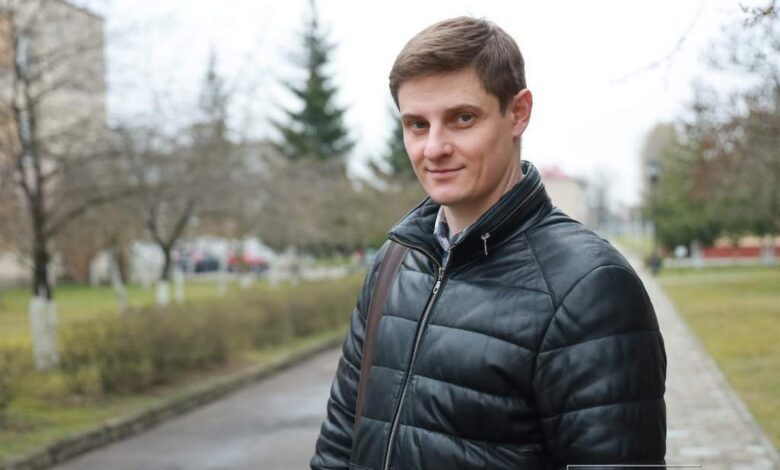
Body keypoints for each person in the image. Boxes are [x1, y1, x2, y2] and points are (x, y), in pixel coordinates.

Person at [311, 16, 666, 470]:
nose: (433, 148)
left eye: (462, 118)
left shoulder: (590, 288)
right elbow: (339, 446)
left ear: (518, 113)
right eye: (417, 124)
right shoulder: (393, 262)